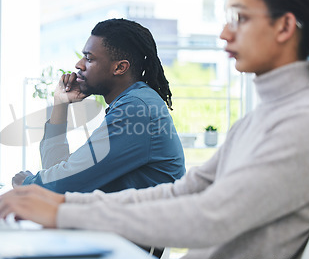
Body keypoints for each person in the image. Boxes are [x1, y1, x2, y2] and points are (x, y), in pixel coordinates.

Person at [0, 0, 309, 259]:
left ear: (284, 28)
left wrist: (61, 207)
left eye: (240, 18)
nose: (225, 32)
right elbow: (187, 191)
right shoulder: (264, 118)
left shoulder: (307, 124)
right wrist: (60, 202)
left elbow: (211, 216)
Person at [12, 18, 185, 193]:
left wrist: (27, 183)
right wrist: (61, 104)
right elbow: (58, 172)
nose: (78, 65)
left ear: (119, 67)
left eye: (89, 58)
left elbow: (64, 185)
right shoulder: (132, 102)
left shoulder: (135, 108)